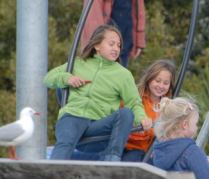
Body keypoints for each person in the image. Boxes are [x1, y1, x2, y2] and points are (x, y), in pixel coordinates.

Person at [43, 24, 152, 161]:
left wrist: (142, 118)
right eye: (111, 44)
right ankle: (54, 169)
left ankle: (112, 160)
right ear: (97, 46)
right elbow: (48, 78)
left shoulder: (123, 74)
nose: (116, 48)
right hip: (74, 116)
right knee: (65, 143)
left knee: (126, 113)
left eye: (118, 45)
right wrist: (67, 78)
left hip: (97, 127)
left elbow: (134, 102)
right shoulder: (78, 63)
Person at [122, 60, 176, 162]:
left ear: (170, 85)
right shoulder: (135, 97)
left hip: (144, 151)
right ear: (149, 79)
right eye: (157, 81)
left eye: (165, 83)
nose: (160, 86)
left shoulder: (167, 107)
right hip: (126, 145)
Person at [152, 97, 209, 179]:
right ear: (185, 125)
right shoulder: (193, 152)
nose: (197, 127)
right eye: (195, 124)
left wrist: (201, 162)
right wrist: (200, 161)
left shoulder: (158, 148)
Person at [81, 0, 146, 67]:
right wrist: (97, 43)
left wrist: (139, 39)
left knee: (119, 73)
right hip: (105, 45)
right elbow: (93, 18)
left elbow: (138, 8)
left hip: (125, 42)